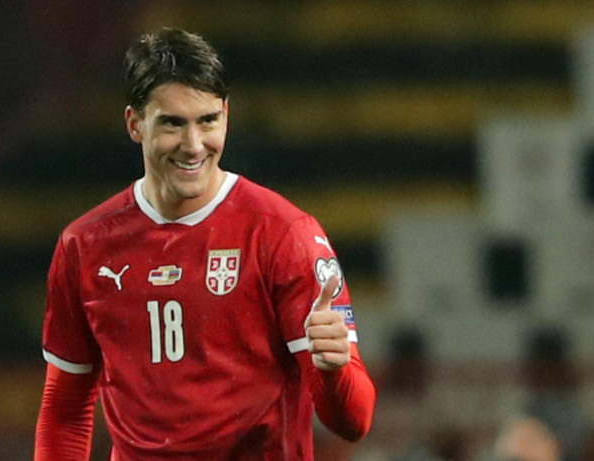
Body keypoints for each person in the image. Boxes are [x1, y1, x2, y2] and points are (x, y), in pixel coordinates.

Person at [34, 27, 376, 460]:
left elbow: (354, 422)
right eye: (173, 124)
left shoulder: (283, 234)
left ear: (226, 115)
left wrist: (333, 371)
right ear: (135, 124)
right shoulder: (84, 245)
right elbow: (66, 408)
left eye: (208, 121)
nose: (194, 146)